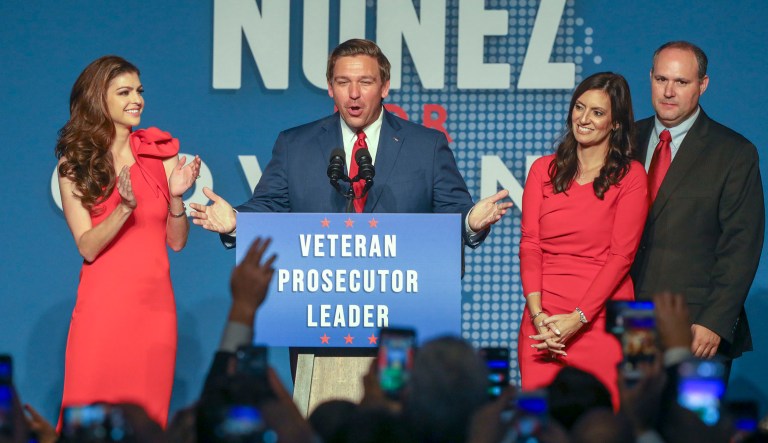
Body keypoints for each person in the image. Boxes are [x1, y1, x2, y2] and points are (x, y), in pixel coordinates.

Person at [189, 38, 511, 247]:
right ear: (330, 88)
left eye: (365, 82)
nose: (354, 94)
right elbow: (269, 206)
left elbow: (452, 213)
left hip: (403, 307)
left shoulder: (426, 147)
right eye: (343, 82)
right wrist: (237, 221)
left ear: (384, 87)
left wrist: (470, 221)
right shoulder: (295, 145)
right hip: (317, 308)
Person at [55, 55, 201, 427]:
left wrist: (177, 197)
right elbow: (87, 246)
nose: (137, 99)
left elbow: (177, 242)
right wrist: (123, 208)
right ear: (98, 99)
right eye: (124, 92)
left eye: (139, 90)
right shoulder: (75, 164)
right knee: (87, 420)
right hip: (102, 311)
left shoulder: (159, 154)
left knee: (147, 421)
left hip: (154, 313)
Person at [630, 41, 765, 376]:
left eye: (681, 82)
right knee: (635, 409)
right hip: (631, 320)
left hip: (697, 328)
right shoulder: (624, 141)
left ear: (703, 85)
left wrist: (715, 321)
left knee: (691, 412)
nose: (669, 91)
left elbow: (741, 245)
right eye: (661, 79)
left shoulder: (733, 153)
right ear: (650, 78)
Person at [518, 72, 648, 407]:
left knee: (603, 423)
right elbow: (530, 245)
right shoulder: (543, 170)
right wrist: (538, 316)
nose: (584, 119)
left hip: (601, 321)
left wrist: (577, 319)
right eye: (579, 107)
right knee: (541, 422)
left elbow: (621, 257)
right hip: (543, 325)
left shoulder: (631, 176)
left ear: (615, 123)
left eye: (597, 112)